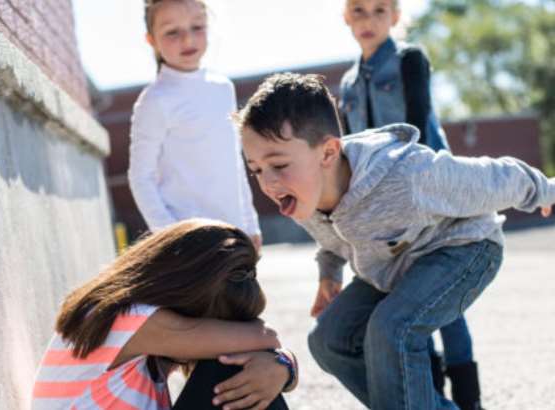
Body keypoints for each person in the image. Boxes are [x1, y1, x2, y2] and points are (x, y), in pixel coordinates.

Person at [236, 73, 554, 410]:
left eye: (279, 165)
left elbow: (490, 177)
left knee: (392, 330)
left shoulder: (406, 175)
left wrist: (543, 190)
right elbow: (330, 239)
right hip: (393, 265)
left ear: (328, 152)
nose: (268, 183)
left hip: (464, 249)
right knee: (328, 340)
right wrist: (329, 274)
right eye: (255, 169)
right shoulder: (304, 195)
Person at [337, 1, 477, 406]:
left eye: (379, 10)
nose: (368, 20)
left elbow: (420, 123)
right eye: (358, 10)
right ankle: (430, 397)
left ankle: (469, 401)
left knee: (445, 303)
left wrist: (432, 199)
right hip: (383, 208)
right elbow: (350, 151)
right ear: (345, 17)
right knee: (408, 300)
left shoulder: (409, 60)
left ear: (395, 16)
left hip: (433, 194)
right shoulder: (347, 83)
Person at [31, 219, 298, 410]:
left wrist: (282, 367)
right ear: (188, 294)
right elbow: (266, 336)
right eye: (214, 323)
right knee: (229, 364)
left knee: (241, 364)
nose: (216, 332)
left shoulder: (142, 334)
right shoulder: (128, 318)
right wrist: (282, 364)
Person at [129, 0, 262, 250]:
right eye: (172, 32)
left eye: (197, 27)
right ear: (152, 40)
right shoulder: (155, 100)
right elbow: (140, 177)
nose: (187, 39)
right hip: (190, 244)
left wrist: (250, 224)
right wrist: (171, 236)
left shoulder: (223, 88)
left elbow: (234, 163)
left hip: (235, 234)